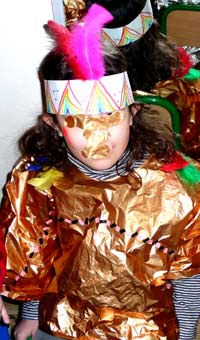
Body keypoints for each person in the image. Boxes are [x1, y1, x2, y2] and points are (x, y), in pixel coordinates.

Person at [1, 4, 200, 340]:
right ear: (53, 124)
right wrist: (30, 316)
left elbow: (189, 279)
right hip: (64, 320)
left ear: (133, 113)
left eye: (109, 117)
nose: (97, 137)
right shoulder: (37, 181)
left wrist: (183, 335)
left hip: (147, 328)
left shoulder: (176, 191)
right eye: (78, 122)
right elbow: (37, 252)